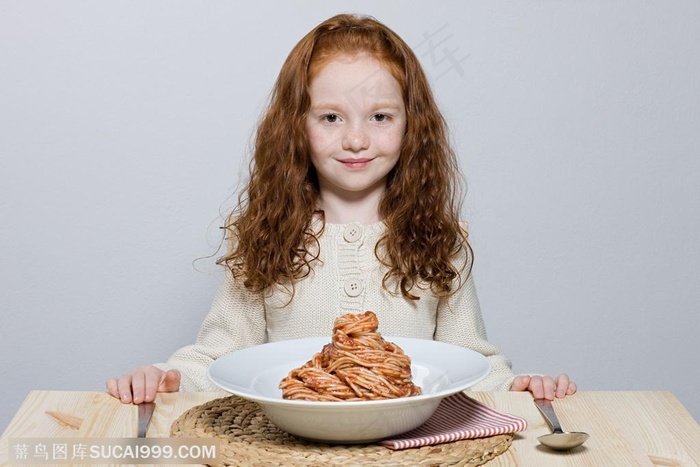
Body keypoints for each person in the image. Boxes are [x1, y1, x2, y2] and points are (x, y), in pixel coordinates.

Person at [106, 13, 576, 405]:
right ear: (296, 126)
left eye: (380, 117)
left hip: (410, 446)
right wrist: (166, 377)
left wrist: (517, 386)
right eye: (331, 117)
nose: (355, 139)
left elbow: (469, 359)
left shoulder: (440, 238)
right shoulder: (261, 236)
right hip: (290, 444)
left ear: (412, 126)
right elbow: (218, 356)